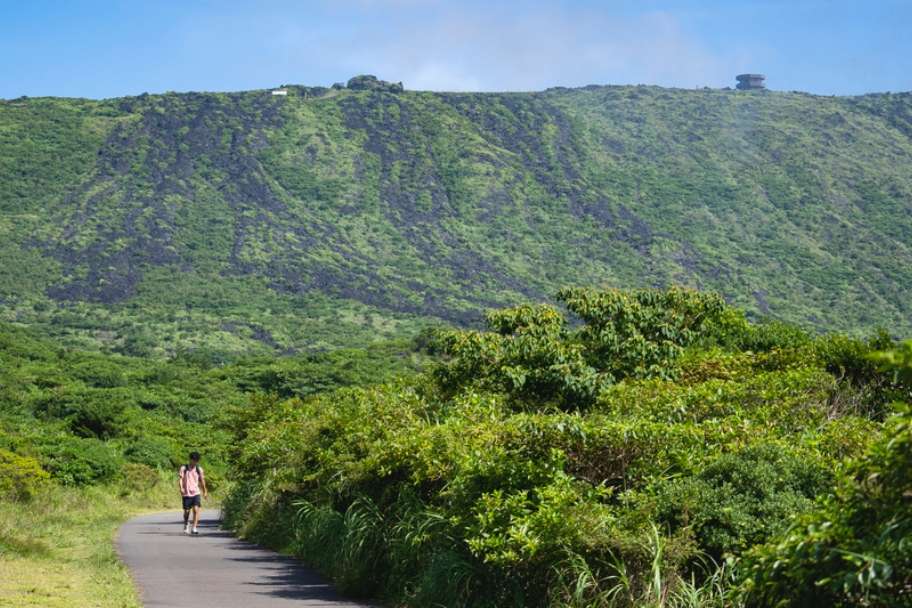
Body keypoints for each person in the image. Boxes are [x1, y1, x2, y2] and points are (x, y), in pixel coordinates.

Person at [178, 451, 208, 535]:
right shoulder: (184, 468)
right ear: (190, 459)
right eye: (194, 460)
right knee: (187, 511)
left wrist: (205, 491)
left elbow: (202, 481)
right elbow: (180, 479)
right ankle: (186, 523)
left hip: (196, 492)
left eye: (197, 461)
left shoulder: (199, 469)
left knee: (196, 509)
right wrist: (181, 488)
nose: (195, 462)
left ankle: (194, 527)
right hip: (186, 493)